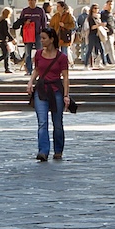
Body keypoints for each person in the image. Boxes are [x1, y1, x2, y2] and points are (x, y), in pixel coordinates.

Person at [27, 27, 71, 162]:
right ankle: (43, 151)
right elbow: (37, 70)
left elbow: (65, 77)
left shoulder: (61, 57)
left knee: (57, 122)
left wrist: (66, 95)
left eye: (44, 38)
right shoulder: (39, 54)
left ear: (52, 40)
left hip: (56, 90)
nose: (41, 41)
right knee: (42, 122)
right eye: (41, 38)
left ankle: (58, 150)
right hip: (41, 90)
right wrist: (30, 82)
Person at [13, 0, 47, 72]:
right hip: (27, 34)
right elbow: (20, 21)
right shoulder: (25, 11)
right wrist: (25, 22)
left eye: (31, 0)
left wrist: (44, 33)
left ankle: (40, 68)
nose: (30, 2)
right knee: (28, 52)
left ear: (35, 1)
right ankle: (29, 69)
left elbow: (44, 22)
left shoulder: (40, 10)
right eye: (29, 0)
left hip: (38, 34)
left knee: (39, 51)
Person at [84, 3, 108, 68]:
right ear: (92, 9)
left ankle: (104, 63)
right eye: (95, 8)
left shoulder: (98, 17)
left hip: (97, 35)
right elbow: (92, 27)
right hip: (92, 35)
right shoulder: (90, 18)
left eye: (97, 8)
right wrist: (100, 25)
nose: (96, 9)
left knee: (102, 49)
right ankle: (86, 64)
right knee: (90, 50)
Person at [0, 8, 16, 73]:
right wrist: (12, 39)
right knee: (5, 54)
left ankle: (7, 68)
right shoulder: (5, 21)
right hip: (2, 39)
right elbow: (6, 32)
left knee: (6, 53)